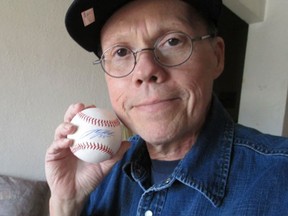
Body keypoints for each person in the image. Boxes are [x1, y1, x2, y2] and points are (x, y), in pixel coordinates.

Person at [45, 0, 288, 215]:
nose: (145, 70)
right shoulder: (100, 175)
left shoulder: (280, 178)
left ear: (217, 56)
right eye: (121, 52)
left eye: (172, 41)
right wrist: (67, 203)